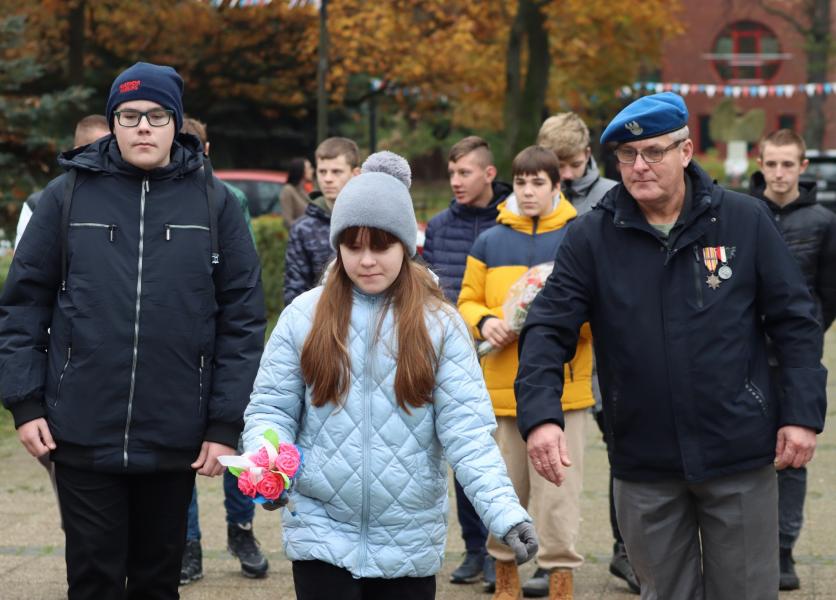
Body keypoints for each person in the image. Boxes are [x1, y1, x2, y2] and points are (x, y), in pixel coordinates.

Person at [515, 92, 827, 600]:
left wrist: (802, 414)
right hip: (644, 460)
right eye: (628, 155)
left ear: (685, 151)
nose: (639, 166)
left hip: (739, 453)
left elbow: (795, 322)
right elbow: (548, 327)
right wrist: (541, 416)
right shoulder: (591, 237)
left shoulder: (744, 220)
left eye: (654, 152)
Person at [0, 62, 266, 600]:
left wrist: (224, 422)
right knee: (93, 582)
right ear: (113, 122)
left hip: (174, 435)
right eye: (129, 115)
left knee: (156, 583)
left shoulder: (213, 202)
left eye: (157, 115)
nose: (143, 126)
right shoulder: (66, 196)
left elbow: (241, 320)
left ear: (176, 124)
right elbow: (22, 307)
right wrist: (24, 405)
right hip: (80, 432)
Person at [242, 151, 537, 600]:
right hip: (320, 533)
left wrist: (505, 512)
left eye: (380, 246)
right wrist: (268, 466)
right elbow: (271, 408)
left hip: (409, 538)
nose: (366, 260)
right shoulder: (303, 316)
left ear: (405, 246)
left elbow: (468, 433)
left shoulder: (441, 323)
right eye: (353, 246)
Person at [459, 146, 592, 600]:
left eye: (538, 183)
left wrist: (565, 323)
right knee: (504, 489)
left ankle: (560, 579)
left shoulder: (580, 236)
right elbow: (466, 300)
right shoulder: (489, 241)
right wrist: (485, 321)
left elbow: (601, 310)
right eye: (521, 182)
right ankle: (505, 578)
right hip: (501, 390)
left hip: (564, 392)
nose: (529, 191)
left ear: (557, 186)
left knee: (559, 495)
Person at [537, 113, 637, 593]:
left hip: (609, 355)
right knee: (550, 455)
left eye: (572, 165)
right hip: (563, 356)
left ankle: (629, 551)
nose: (566, 175)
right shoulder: (533, 199)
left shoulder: (613, 198)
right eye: (556, 166)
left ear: (587, 156)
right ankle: (547, 554)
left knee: (627, 454)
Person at [178, 116, 267, 584]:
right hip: (180, 350)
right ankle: (188, 542)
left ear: (207, 149)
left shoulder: (228, 200)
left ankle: (241, 529)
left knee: (233, 439)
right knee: (181, 451)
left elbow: (242, 275)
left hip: (222, 344)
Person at [421, 135, 511, 590]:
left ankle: (500, 549)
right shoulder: (439, 225)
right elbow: (430, 286)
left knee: (496, 456)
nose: (456, 181)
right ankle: (475, 548)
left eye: (465, 172)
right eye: (452, 173)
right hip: (452, 354)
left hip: (503, 351)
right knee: (460, 452)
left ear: (489, 173)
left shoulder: (511, 221)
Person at [749, 128, 836, 590]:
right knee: (745, 453)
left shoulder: (823, 221)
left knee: (793, 455)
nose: (779, 173)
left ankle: (783, 549)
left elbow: (829, 290)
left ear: (802, 167)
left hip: (796, 358)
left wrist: (807, 334)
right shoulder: (741, 214)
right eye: (772, 163)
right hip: (744, 355)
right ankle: (748, 546)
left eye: (788, 164)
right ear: (759, 164)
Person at [283, 137, 360, 306]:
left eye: (336, 172)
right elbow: (294, 291)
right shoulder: (302, 229)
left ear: (355, 174)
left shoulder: (369, 221)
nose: (328, 179)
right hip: (319, 316)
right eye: (322, 171)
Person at [14, 115, 110, 249]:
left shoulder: (126, 197)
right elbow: (24, 259)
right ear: (78, 150)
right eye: (101, 149)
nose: (110, 156)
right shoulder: (38, 203)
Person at [279, 157, 313, 226]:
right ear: (301, 171)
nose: (312, 170)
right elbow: (287, 221)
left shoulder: (303, 189)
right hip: (299, 232)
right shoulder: (288, 190)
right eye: (309, 168)